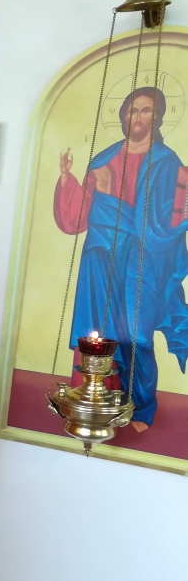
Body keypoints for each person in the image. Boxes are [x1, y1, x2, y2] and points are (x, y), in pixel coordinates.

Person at [54, 86, 188, 433]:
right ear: (123, 114)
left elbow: (169, 220)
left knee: (137, 336)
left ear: (157, 117)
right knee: (97, 332)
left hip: (142, 257)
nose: (137, 117)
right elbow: (77, 217)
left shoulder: (167, 162)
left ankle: (140, 407)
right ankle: (95, 397)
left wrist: (113, 198)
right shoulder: (103, 159)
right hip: (99, 256)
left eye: (146, 110)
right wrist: (67, 179)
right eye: (132, 110)